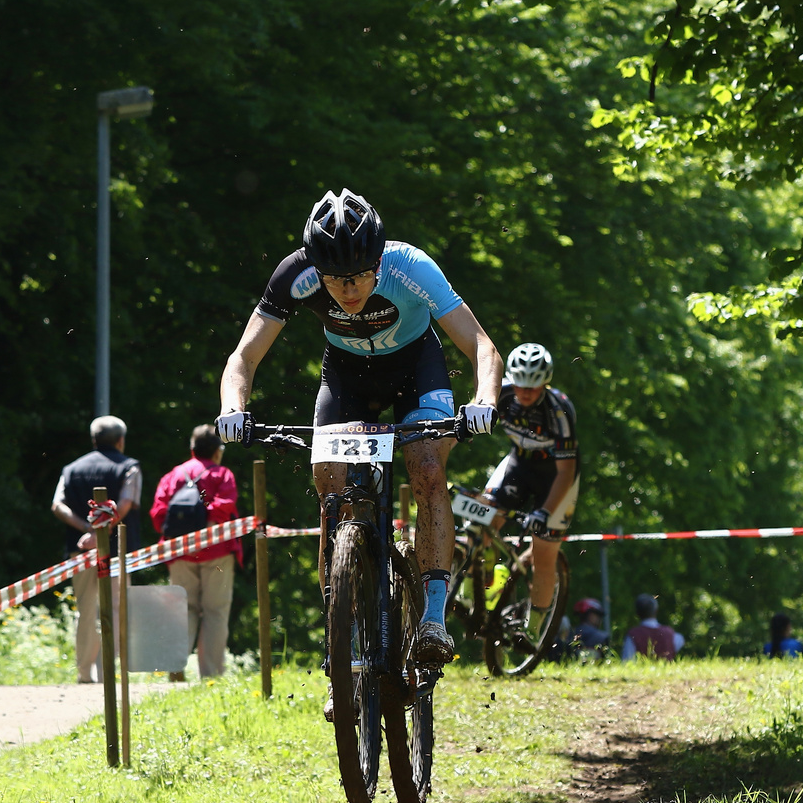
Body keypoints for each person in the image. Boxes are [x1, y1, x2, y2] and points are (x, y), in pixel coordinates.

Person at [216, 189, 501, 665]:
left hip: (416, 369)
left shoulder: (410, 267)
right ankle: (341, 634)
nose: (348, 291)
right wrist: (232, 407)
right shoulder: (296, 274)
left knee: (428, 468)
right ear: (317, 269)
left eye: (359, 277)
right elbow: (243, 357)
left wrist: (484, 399)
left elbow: (481, 345)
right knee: (329, 483)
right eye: (335, 280)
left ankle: (433, 618)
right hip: (347, 377)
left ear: (377, 261)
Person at [481, 343, 579, 641]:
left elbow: (566, 472)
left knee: (543, 553)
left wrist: (544, 511)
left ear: (544, 383)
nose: (525, 393)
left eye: (533, 388)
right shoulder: (504, 394)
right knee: (482, 520)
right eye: (521, 384)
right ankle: (486, 584)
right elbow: (473, 421)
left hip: (556, 477)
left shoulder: (558, 409)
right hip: (519, 464)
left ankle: (534, 629)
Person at [51, 416, 142, 683]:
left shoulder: (71, 469)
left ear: (93, 440)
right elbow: (125, 504)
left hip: (80, 552)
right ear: (121, 440)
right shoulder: (129, 467)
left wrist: (86, 530)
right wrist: (100, 531)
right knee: (115, 607)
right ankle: (107, 672)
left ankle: (84, 672)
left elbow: (57, 505)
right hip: (115, 551)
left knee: (85, 609)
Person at [149, 424, 243, 680]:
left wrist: (181, 539)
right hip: (217, 551)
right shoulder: (222, 475)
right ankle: (211, 676)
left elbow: (159, 514)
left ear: (192, 449)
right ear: (217, 451)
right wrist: (206, 534)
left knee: (183, 609)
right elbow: (224, 507)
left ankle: (175, 670)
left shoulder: (174, 476)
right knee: (215, 611)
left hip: (179, 552)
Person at [622, 593, 685, 661]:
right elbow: (680, 640)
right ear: (656, 611)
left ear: (637, 613)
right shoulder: (670, 634)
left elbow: (627, 661)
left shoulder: (633, 635)